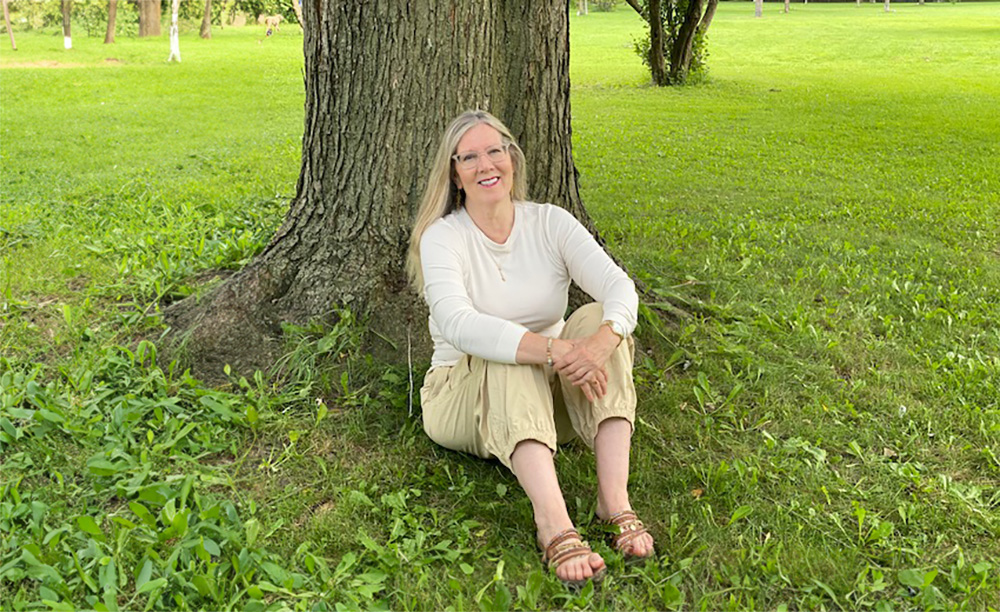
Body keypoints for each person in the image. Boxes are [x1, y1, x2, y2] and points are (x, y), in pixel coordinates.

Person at [406, 110, 654, 587]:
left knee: (598, 319)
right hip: (464, 399)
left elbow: (620, 288)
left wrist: (600, 342)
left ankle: (614, 502)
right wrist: (553, 350)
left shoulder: (550, 222)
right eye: (469, 157)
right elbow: (458, 324)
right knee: (509, 347)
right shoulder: (443, 237)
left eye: (494, 151)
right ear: (455, 175)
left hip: (550, 394)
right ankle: (554, 525)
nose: (485, 165)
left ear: (512, 159)